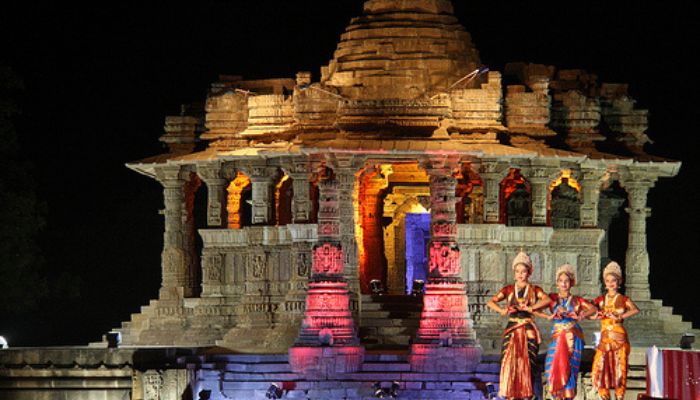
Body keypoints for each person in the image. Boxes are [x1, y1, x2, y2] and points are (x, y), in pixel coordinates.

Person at [487, 251, 551, 399]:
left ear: (529, 272)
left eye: (523, 271)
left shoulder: (535, 290)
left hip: (528, 328)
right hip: (512, 327)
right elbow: (491, 301)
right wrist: (502, 310)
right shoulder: (509, 289)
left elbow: (547, 300)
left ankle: (529, 394)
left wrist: (532, 308)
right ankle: (509, 393)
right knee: (508, 361)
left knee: (529, 363)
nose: (520, 274)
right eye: (517, 271)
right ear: (514, 273)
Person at [535, 264, 596, 399]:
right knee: (552, 367)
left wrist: (580, 315)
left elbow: (593, 309)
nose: (564, 284)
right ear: (557, 283)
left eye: (566, 281)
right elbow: (534, 308)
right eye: (561, 281)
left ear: (571, 283)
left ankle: (568, 396)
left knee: (569, 368)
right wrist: (549, 316)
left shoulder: (577, 300)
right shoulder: (551, 298)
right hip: (557, 335)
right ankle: (556, 396)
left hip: (573, 336)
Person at [591, 261, 639, 399]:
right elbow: (589, 310)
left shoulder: (623, 299)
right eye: (608, 281)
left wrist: (619, 316)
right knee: (600, 369)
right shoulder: (601, 300)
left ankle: (619, 397)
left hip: (619, 338)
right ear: (604, 283)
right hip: (605, 339)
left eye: (614, 280)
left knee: (620, 370)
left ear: (619, 282)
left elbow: (635, 310)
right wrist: (595, 315)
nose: (611, 283)